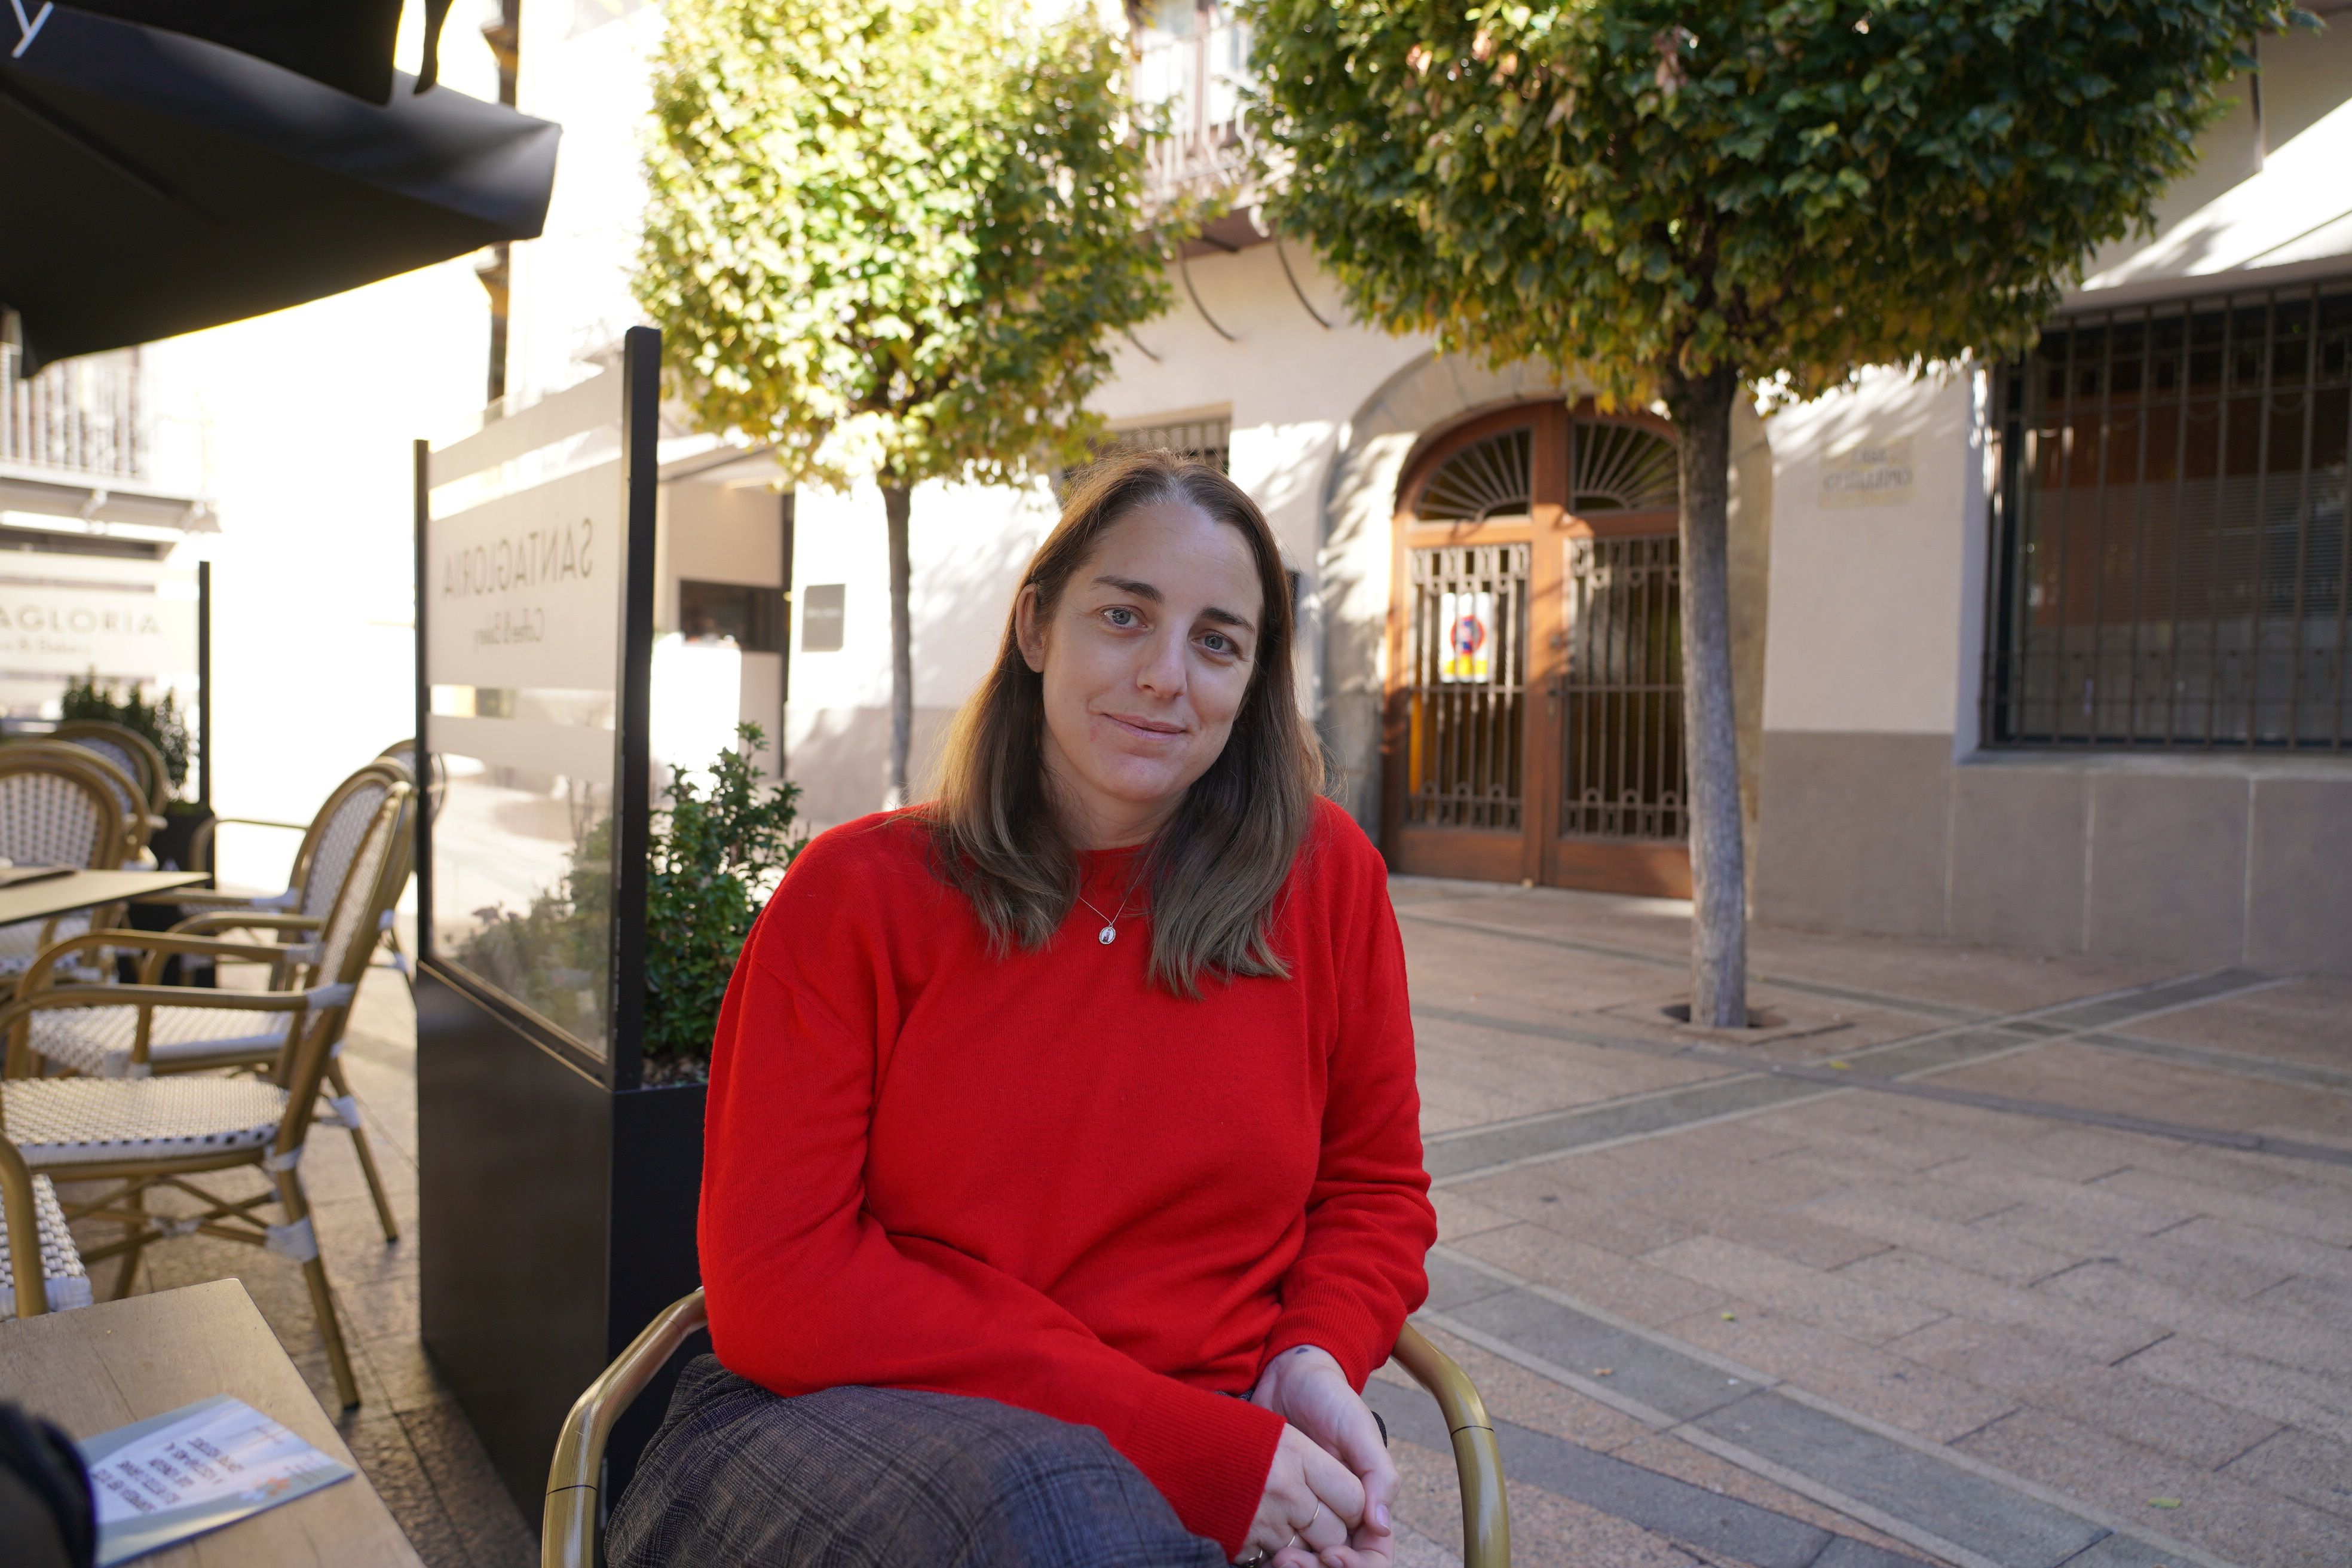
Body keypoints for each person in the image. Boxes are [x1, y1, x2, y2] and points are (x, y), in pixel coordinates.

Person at [610, 451, 1436, 1568]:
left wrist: (1313, 1358)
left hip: (1223, 1427)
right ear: (1038, 628)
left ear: (1251, 685)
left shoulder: (1324, 876)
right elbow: (777, 1285)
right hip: (834, 1422)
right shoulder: (858, 898)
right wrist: (1182, 1443)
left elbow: (1372, 1190)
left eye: (1217, 641)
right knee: (1059, 1515)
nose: (1165, 675)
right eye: (1124, 616)